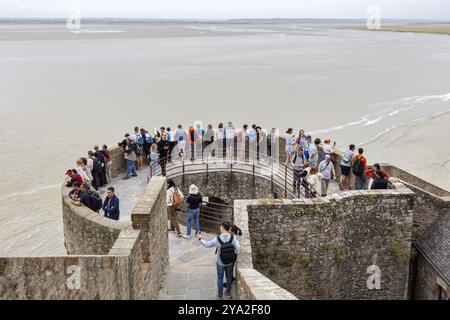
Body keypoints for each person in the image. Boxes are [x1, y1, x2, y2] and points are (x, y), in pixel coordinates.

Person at [199, 222, 240, 300]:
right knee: (228, 277)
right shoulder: (232, 237)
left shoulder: (217, 239)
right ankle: (228, 293)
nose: (220, 228)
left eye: (220, 227)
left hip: (220, 262)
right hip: (230, 262)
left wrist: (201, 240)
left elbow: (207, 244)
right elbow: (238, 248)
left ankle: (220, 296)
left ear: (223, 228)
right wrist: (234, 252)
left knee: (220, 278)